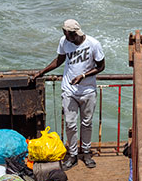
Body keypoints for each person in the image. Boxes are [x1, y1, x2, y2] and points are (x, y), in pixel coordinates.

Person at [32, 19, 105, 170]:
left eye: (66, 33)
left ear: (74, 33)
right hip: (69, 90)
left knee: (86, 123)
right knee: (70, 124)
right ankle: (72, 155)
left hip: (88, 90)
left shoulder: (93, 44)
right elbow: (59, 60)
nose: (64, 35)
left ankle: (86, 153)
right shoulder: (64, 42)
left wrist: (83, 76)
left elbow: (101, 66)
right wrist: (41, 72)